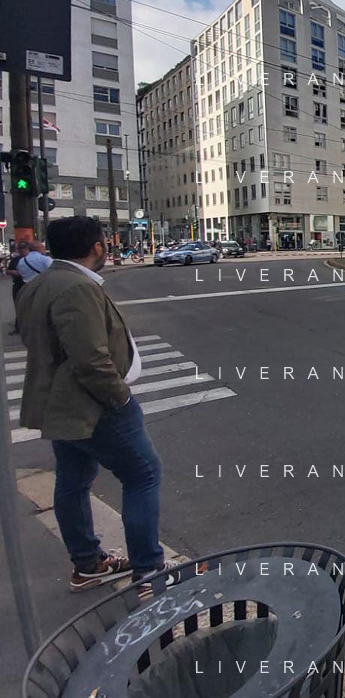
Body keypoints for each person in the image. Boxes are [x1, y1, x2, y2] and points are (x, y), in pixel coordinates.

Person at [16, 216, 171, 596]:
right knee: (143, 474)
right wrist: (121, 397)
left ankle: (88, 564)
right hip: (92, 405)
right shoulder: (76, 288)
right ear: (97, 247)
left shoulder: (39, 285)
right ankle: (149, 572)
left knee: (72, 480)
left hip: (61, 405)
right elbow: (90, 359)